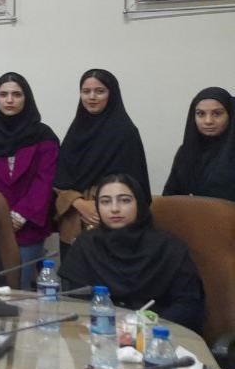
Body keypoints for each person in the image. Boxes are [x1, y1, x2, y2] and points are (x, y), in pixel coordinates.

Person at [60, 173, 205, 332]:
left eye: (125, 200)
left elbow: (188, 304)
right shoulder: (86, 245)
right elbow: (74, 302)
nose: (115, 209)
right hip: (98, 334)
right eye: (105, 201)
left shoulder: (169, 248)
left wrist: (148, 327)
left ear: (140, 204)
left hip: (157, 335)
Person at [0, 72, 59, 288]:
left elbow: (45, 180)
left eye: (16, 94)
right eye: (3, 94)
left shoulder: (43, 135)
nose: (9, 100)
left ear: (27, 99)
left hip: (27, 227)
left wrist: (20, 215)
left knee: (21, 288)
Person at [53, 69, 150, 253]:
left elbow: (136, 184)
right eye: (86, 91)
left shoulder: (125, 133)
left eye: (100, 91)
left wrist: (101, 207)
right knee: (74, 269)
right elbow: (60, 179)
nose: (92, 97)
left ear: (112, 95)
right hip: (73, 219)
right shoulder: (75, 132)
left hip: (114, 220)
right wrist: (79, 203)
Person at [162, 86, 235, 201]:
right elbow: (170, 197)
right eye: (201, 114)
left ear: (230, 115)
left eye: (217, 114)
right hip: (188, 213)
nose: (208, 121)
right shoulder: (186, 152)